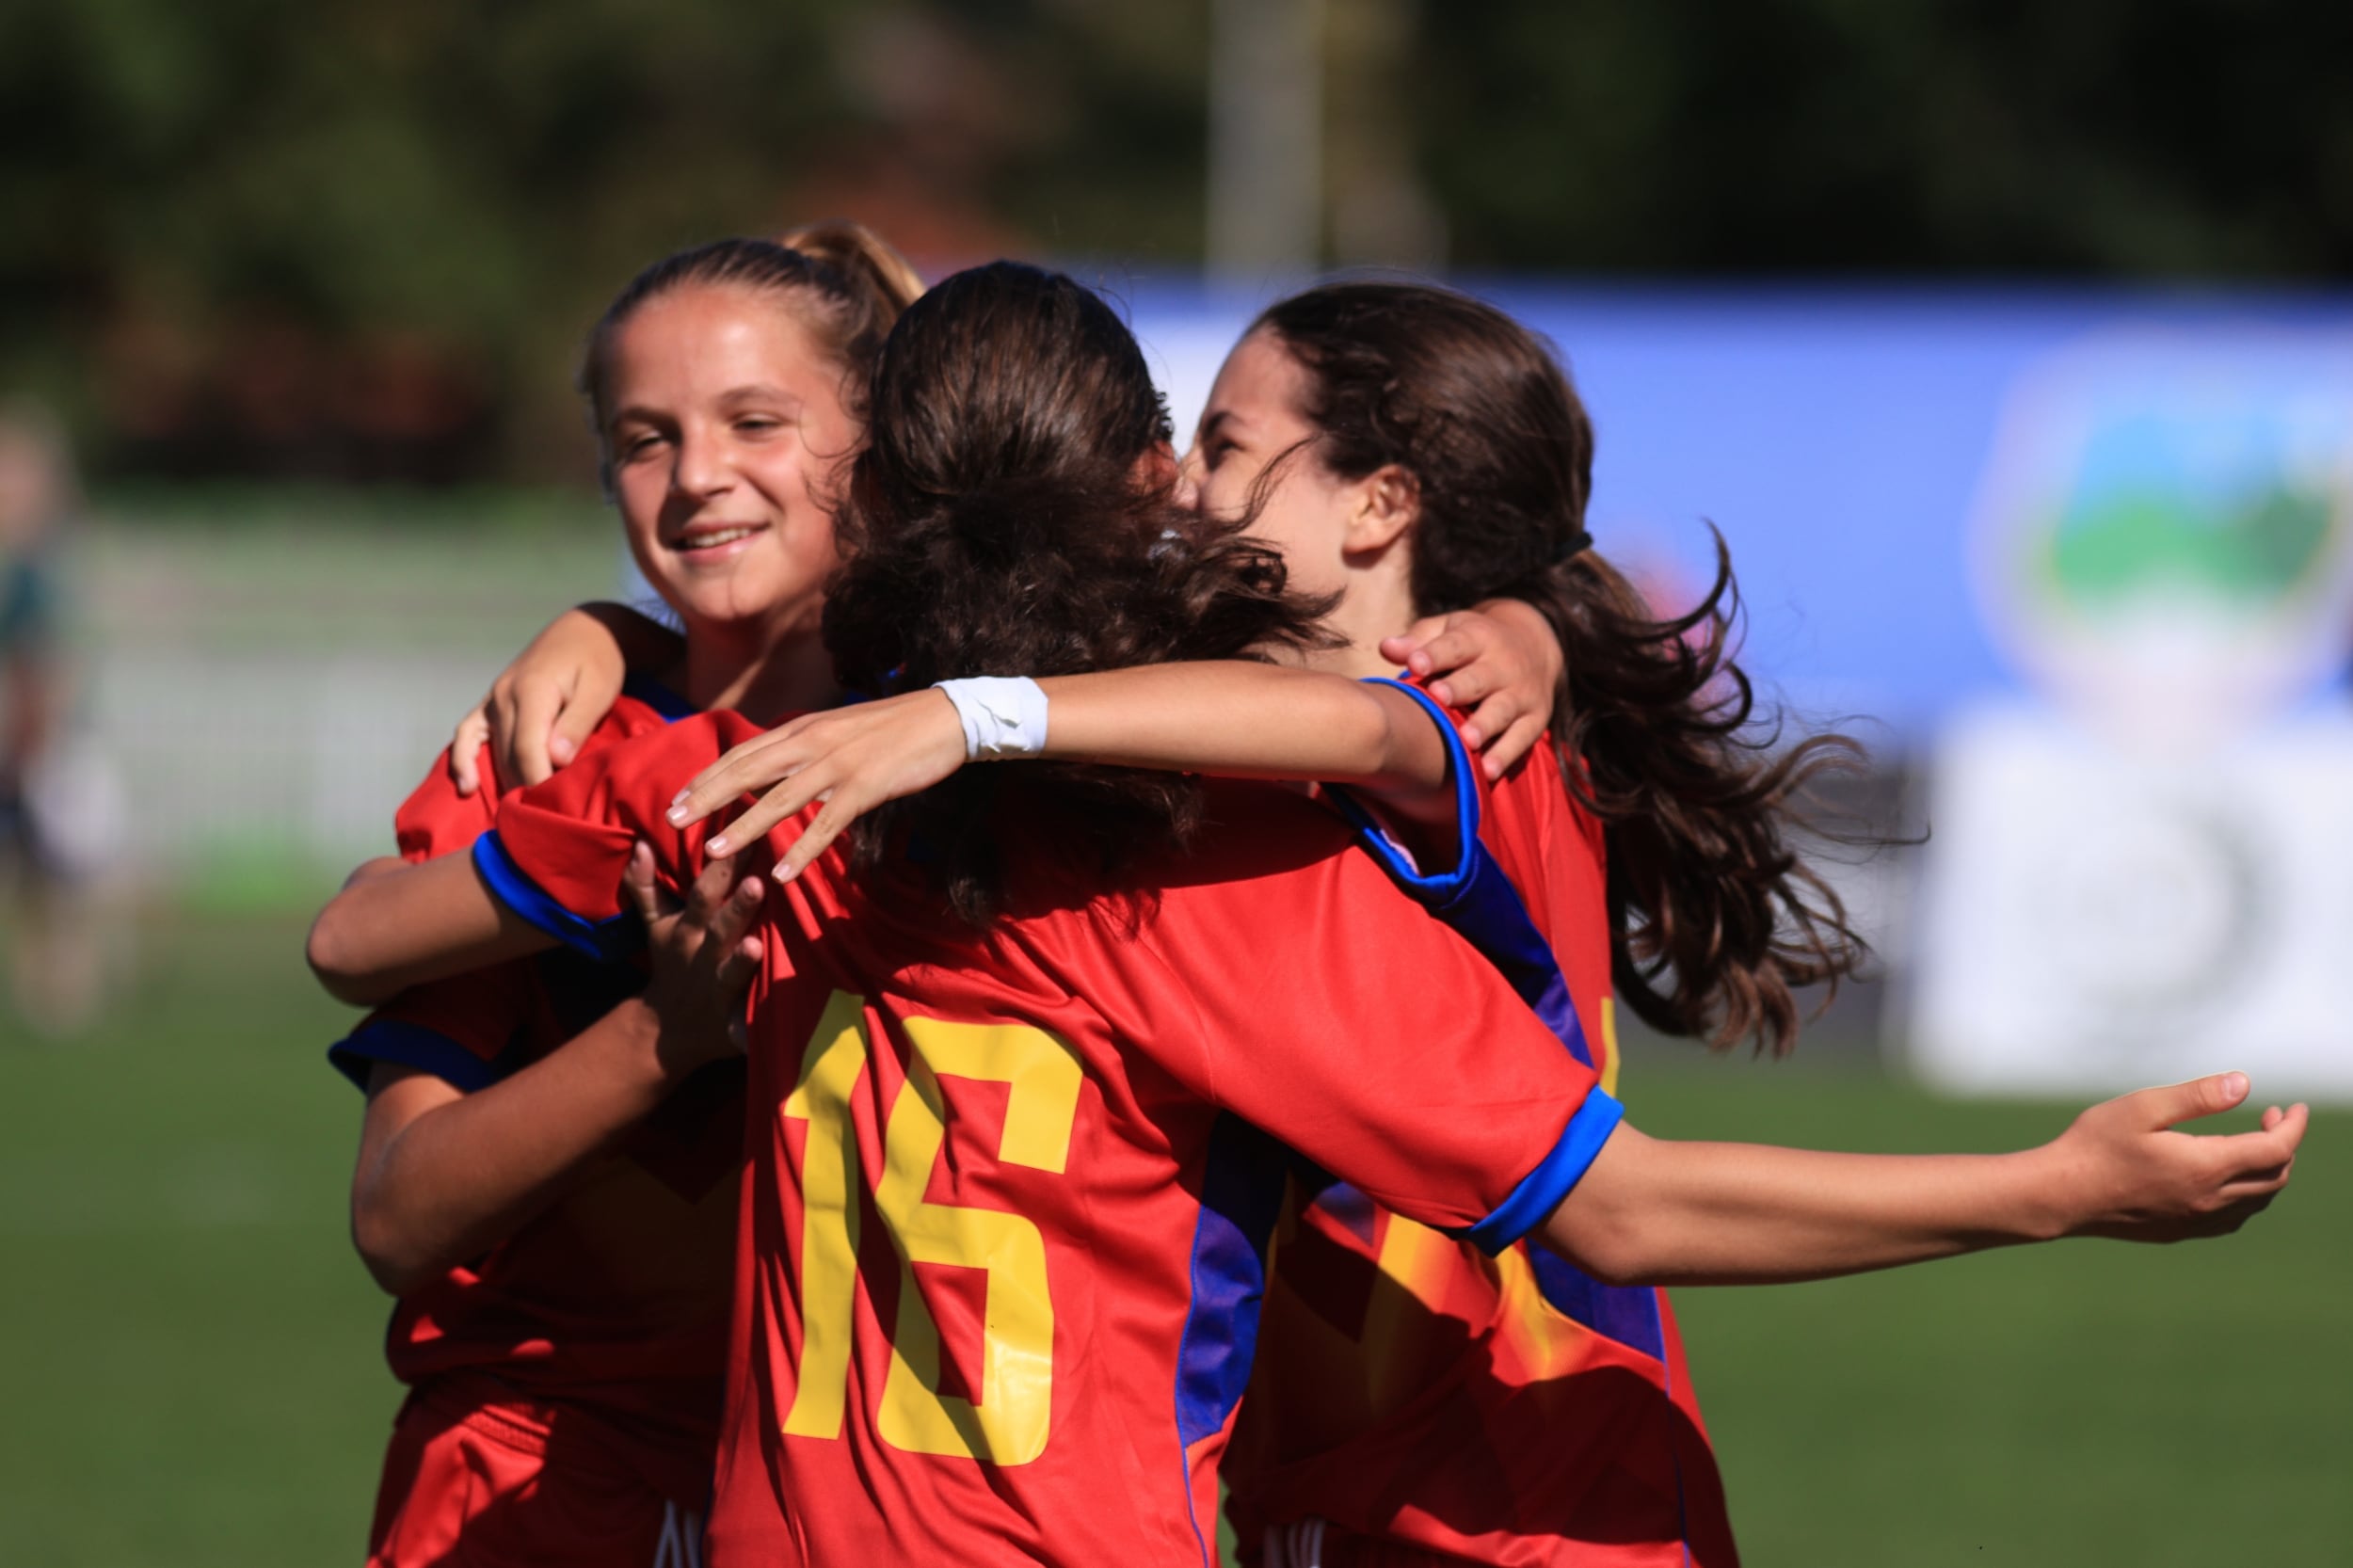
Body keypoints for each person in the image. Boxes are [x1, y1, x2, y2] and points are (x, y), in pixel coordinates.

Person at [307, 263, 2304, 1568]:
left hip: (1513, 1508)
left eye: (1230, 447)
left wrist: (924, 709)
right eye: (1173, 452)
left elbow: (364, 930)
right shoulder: (1196, 863)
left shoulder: (1407, 732)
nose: (1188, 480)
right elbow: (1605, 1193)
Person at [327, 221, 923, 1568]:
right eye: (646, 438)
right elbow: (396, 1212)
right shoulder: (539, 753)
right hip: (544, 1483)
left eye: (755, 420)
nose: (698, 475)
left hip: (871, 1495)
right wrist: (657, 1036)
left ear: (877, 449)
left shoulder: (966, 747)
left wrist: (1524, 622)